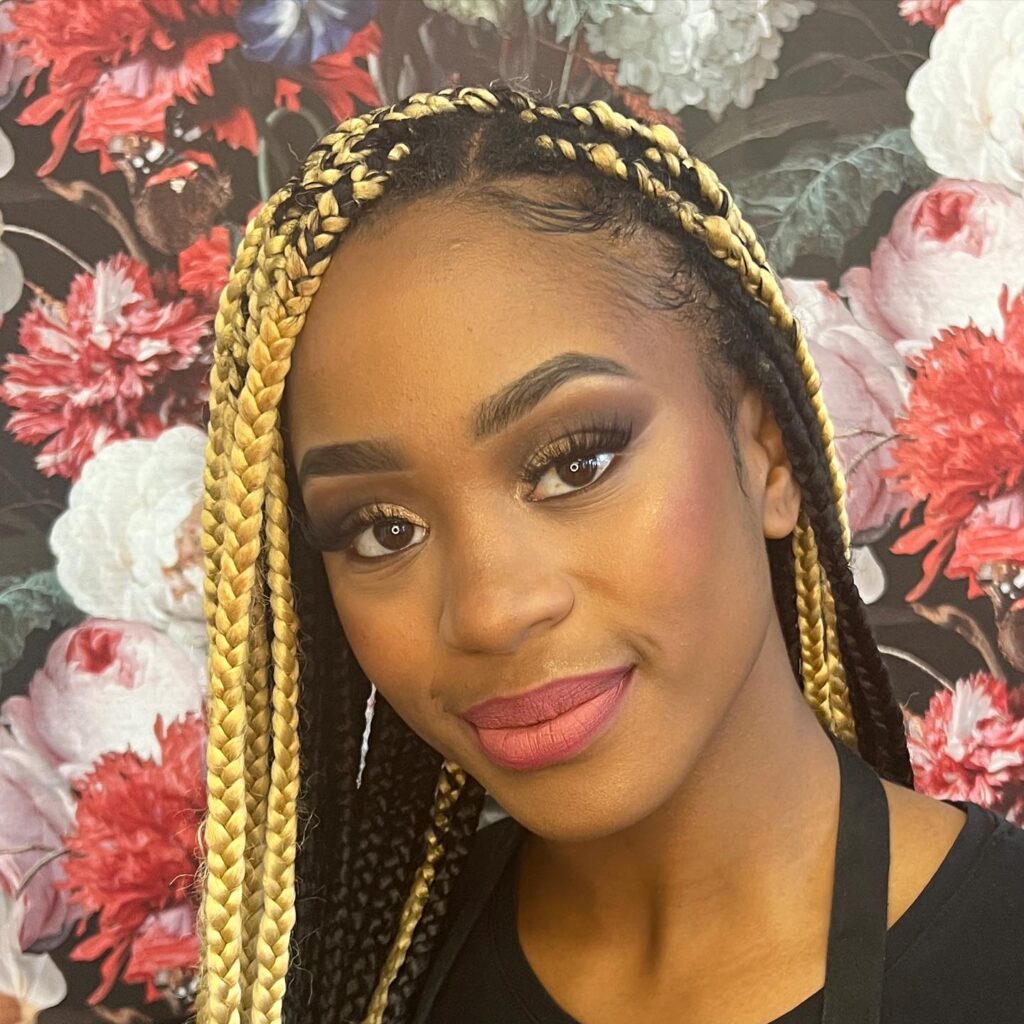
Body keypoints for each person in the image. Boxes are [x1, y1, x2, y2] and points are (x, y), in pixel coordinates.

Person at [194, 83, 1024, 1024]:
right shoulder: (355, 982)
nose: (491, 610)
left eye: (574, 463)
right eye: (383, 529)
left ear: (769, 451)